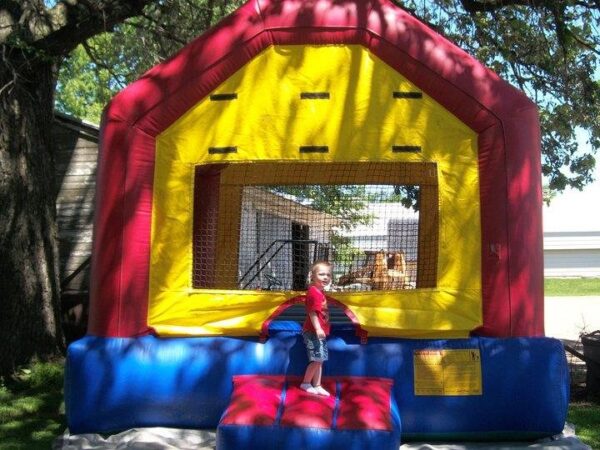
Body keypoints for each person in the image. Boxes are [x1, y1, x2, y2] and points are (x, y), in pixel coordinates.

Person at [300, 261, 332, 396]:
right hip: (313, 331)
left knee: (321, 359)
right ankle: (306, 383)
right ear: (312, 276)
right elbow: (312, 312)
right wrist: (318, 329)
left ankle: (317, 384)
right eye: (321, 274)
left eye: (328, 275)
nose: (325, 277)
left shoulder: (320, 292)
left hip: (319, 332)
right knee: (317, 359)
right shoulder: (314, 292)